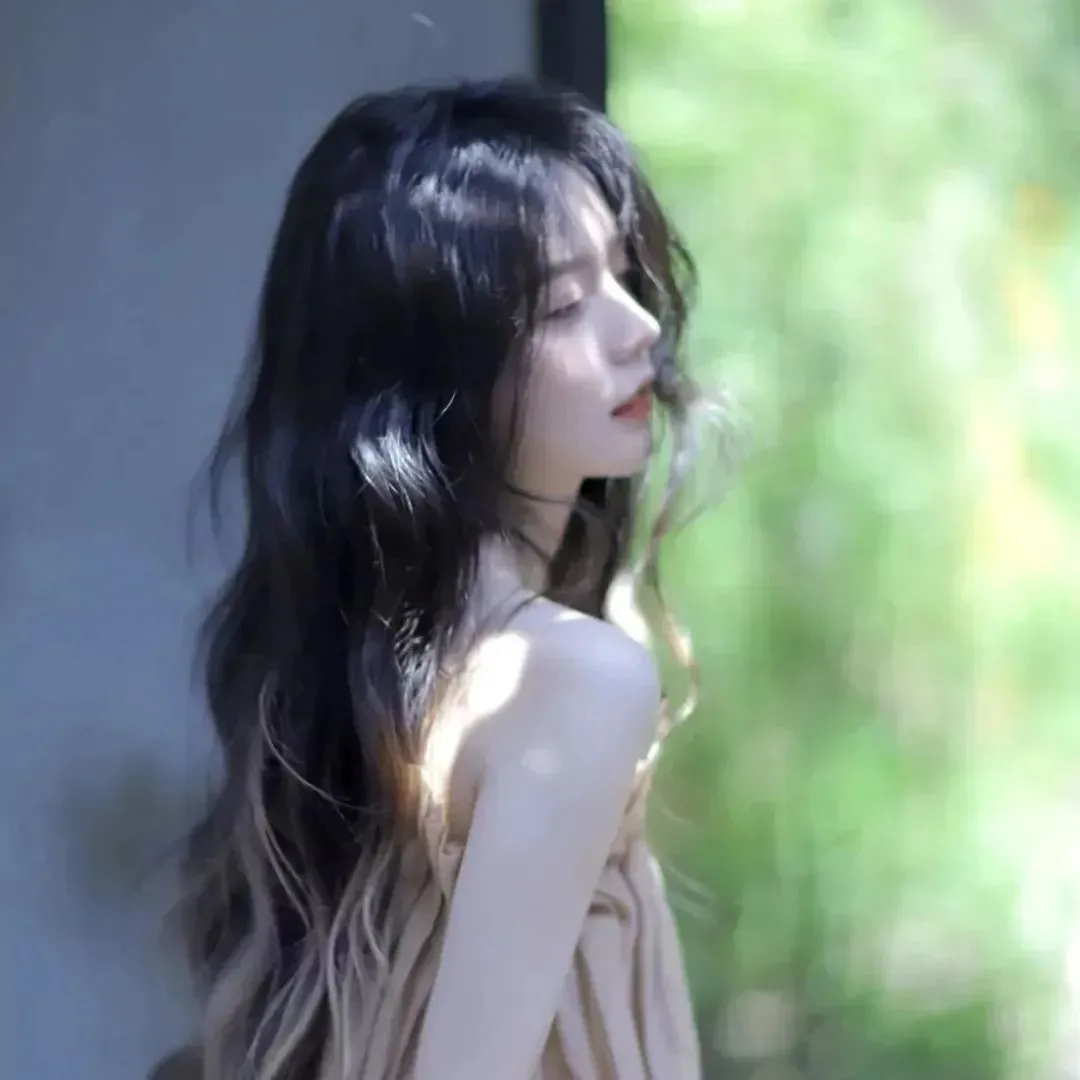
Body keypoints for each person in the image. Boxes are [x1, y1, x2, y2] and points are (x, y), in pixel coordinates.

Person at [176, 76, 706, 1080]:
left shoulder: (369, 679)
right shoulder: (573, 679)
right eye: (563, 304)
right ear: (435, 377)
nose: (638, 325)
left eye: (622, 272)